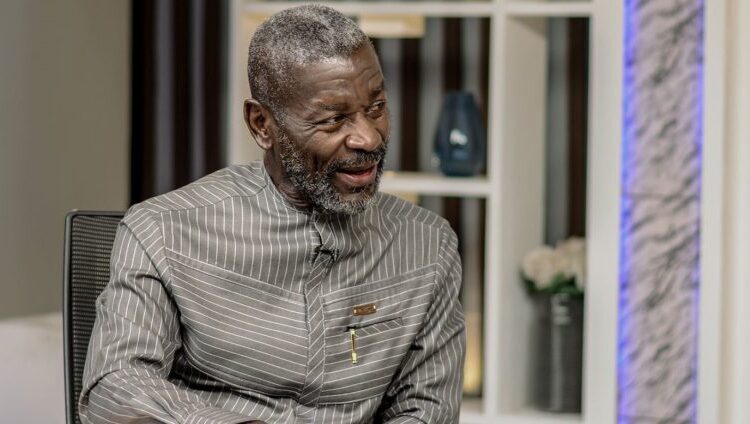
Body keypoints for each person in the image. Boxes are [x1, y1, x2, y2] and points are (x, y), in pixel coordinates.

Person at [79, 5, 465, 424]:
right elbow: (115, 388)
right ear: (262, 124)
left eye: (376, 108)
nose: (368, 138)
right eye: (334, 119)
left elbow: (426, 408)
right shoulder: (162, 231)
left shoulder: (428, 245)